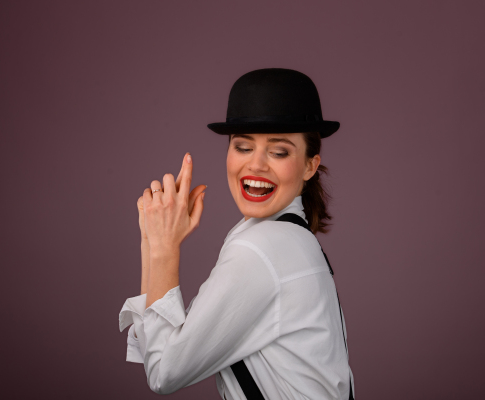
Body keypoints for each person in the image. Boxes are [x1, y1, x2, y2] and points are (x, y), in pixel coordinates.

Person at [119, 68, 354, 399]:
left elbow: (164, 370)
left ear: (310, 165)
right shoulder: (295, 240)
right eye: (243, 147)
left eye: (279, 151)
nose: (256, 165)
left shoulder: (263, 248)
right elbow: (161, 353)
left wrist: (162, 247)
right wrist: (153, 236)